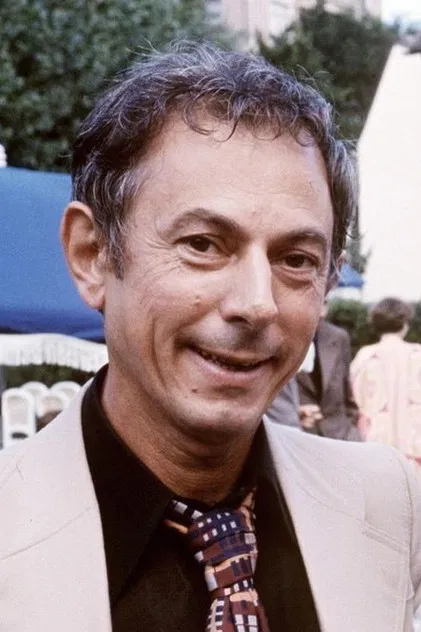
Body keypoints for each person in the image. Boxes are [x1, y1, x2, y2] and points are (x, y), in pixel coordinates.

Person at [0, 43, 420, 631]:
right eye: (203, 245)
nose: (256, 303)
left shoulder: (388, 504)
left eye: (296, 259)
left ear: (329, 281)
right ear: (92, 255)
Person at [351, 297, 421, 469]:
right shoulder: (417, 354)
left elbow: (356, 398)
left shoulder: (365, 356)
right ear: (405, 323)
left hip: (377, 441)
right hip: (415, 440)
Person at [296, 315, 361, 440]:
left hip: (341, 435)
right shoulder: (282, 334)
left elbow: (347, 391)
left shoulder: (338, 336)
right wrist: (294, 414)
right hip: (300, 436)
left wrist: (352, 430)